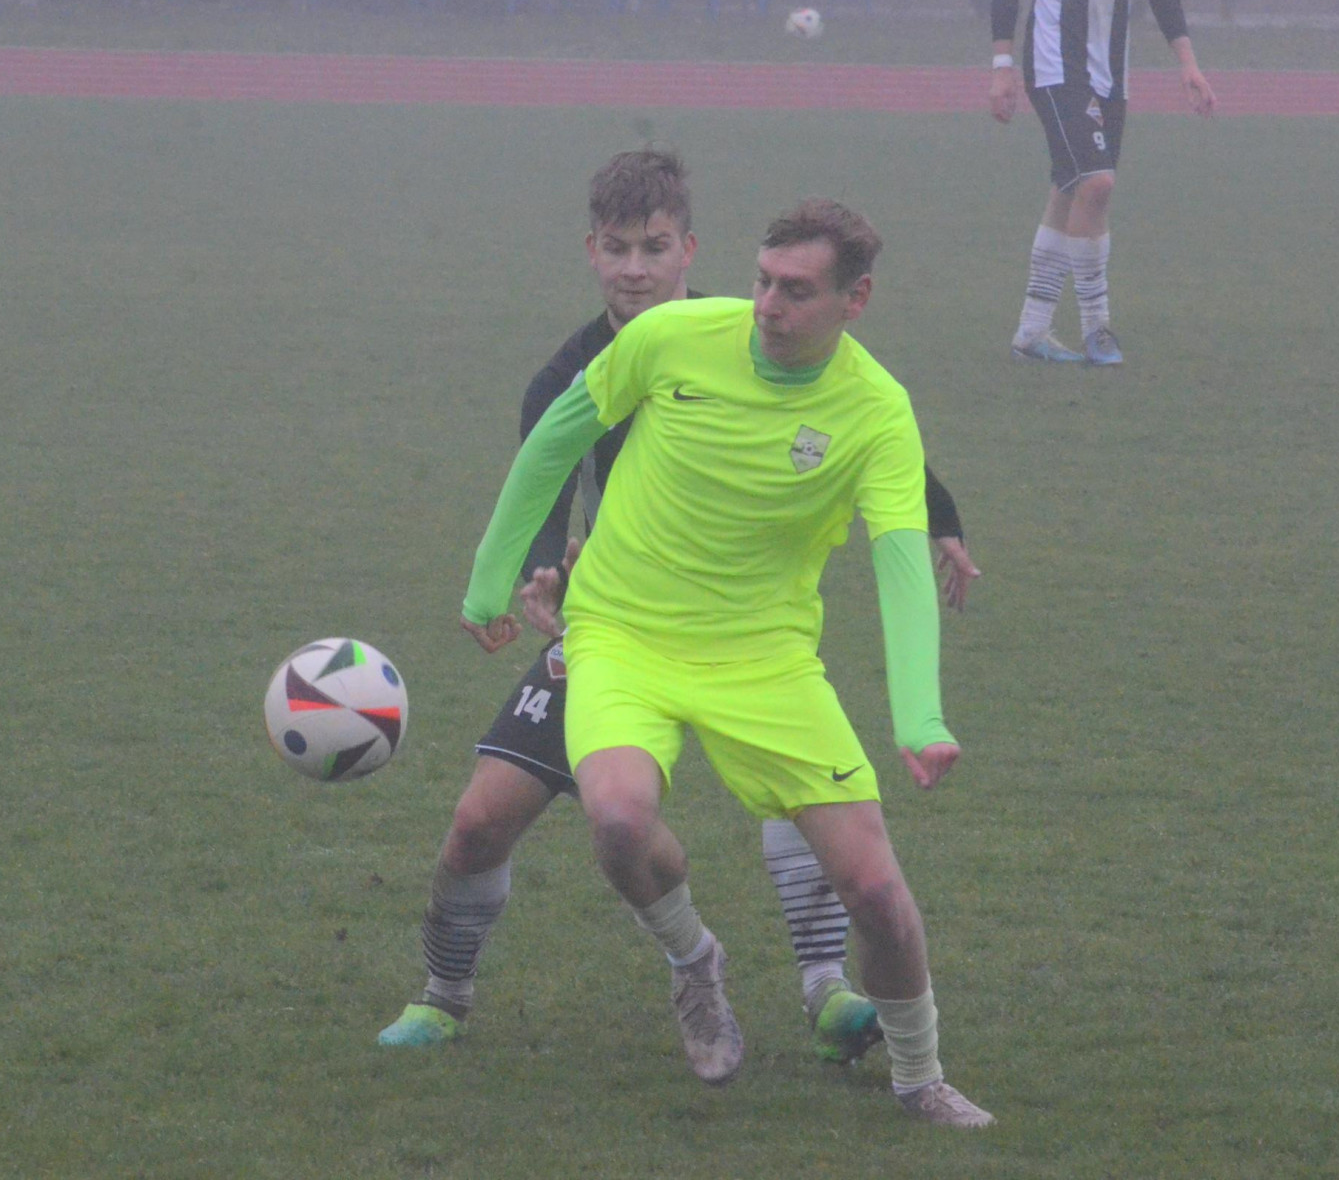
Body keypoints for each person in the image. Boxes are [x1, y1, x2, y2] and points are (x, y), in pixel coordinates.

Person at [380, 152, 983, 1069]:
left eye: (653, 248)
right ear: (591, 252)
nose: (634, 269)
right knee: (480, 821)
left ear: (687, 252)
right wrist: (530, 576)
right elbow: (544, 481)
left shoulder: (754, 335)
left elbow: (860, 430)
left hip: (746, 639)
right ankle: (446, 995)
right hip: (617, 624)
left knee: (805, 803)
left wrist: (939, 523)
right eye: (617, 249)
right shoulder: (576, 371)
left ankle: (827, 989)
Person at [988, 0, 1216, 365]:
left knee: (1070, 188)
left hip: (1110, 75)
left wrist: (1188, 63)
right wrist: (1001, 66)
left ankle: (1031, 332)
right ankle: (1097, 328)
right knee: (1097, 183)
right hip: (1055, 66)